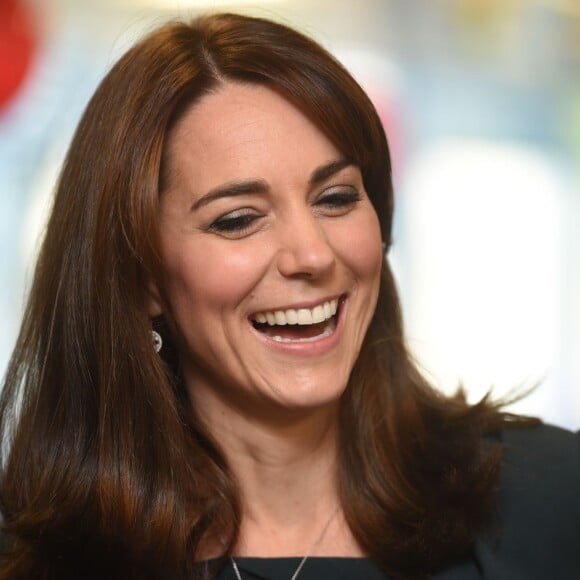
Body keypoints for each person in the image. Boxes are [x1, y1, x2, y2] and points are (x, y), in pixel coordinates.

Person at [0, 12, 578, 580]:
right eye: (239, 219)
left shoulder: (551, 498)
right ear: (141, 278)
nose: (313, 256)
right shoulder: (38, 560)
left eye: (335, 198)